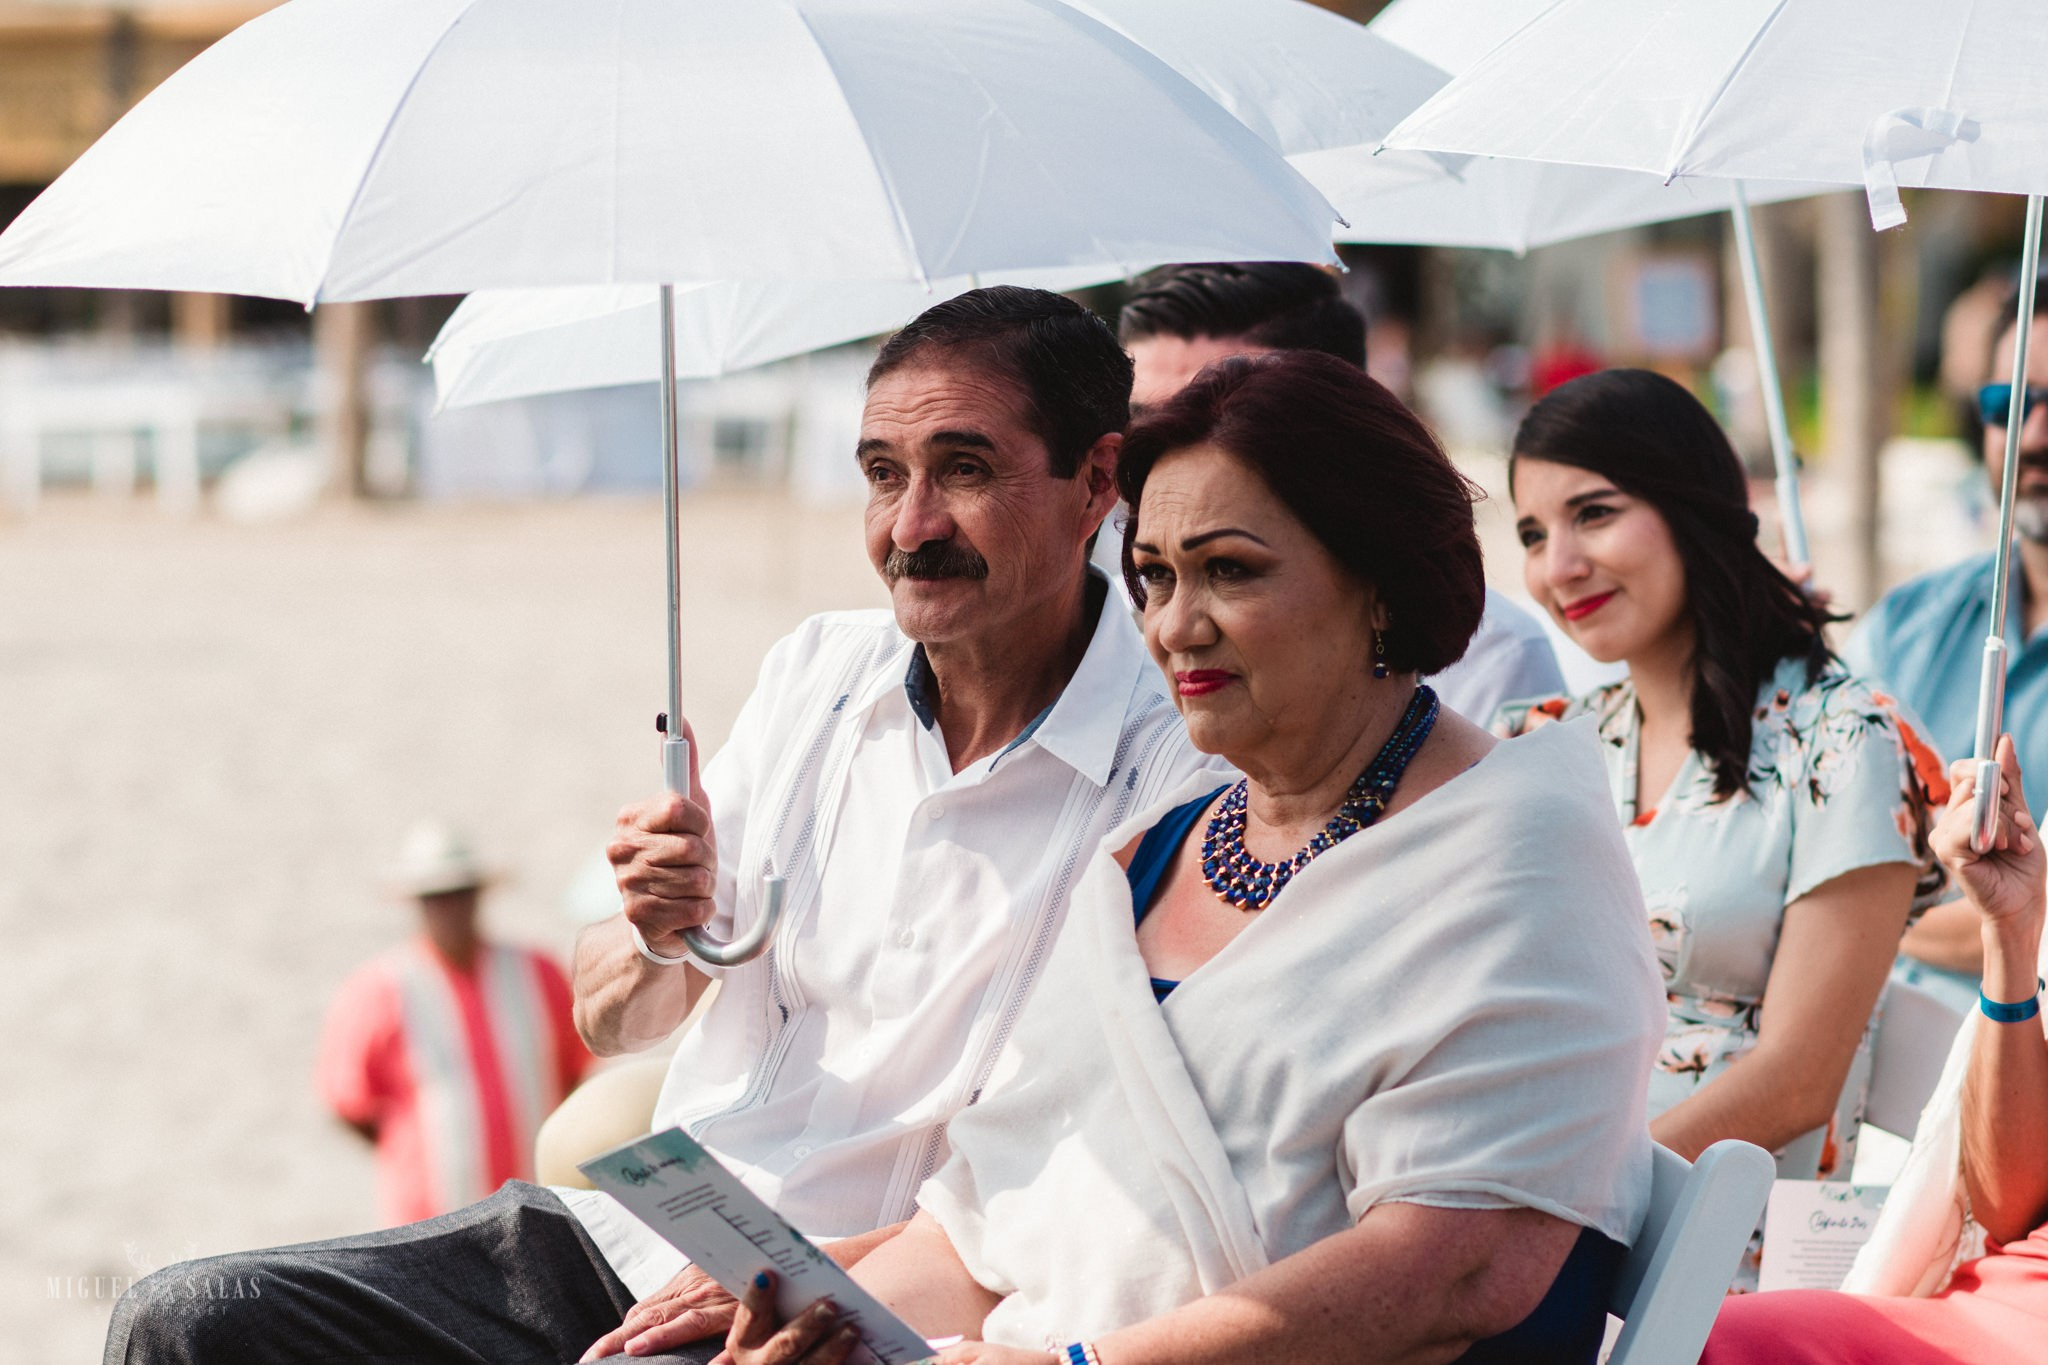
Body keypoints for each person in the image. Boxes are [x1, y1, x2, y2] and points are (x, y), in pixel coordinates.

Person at [106, 288, 1222, 1365]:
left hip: (864, 1297)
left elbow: (1089, 1164)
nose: (910, 526)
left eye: (963, 470)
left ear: (1097, 480)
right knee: (190, 1318)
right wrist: (656, 930)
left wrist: (830, 1274)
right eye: (883, 476)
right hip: (647, 1234)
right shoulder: (821, 674)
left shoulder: (1174, 761)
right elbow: (611, 1016)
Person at [724, 351, 1665, 1365]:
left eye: (1230, 570)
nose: (1174, 625)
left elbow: (1455, 1266)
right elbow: (985, 1229)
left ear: (1380, 585)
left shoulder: (1519, 848)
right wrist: (826, 1322)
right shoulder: (1151, 850)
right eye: (1154, 576)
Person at [1502, 370, 1945, 1209]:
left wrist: (1559, 1204)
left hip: (1711, 1255)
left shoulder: (1843, 740)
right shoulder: (1543, 741)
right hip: (1529, 1208)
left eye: (1594, 513)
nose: (1557, 565)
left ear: (1688, 509)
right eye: (1531, 533)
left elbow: (1798, 1081)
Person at [1699, 736, 2048, 1363]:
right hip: (2011, 1287)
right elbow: (2009, 1208)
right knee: (1713, 1341)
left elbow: (1796, 1079)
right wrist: (2011, 935)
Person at [1116, 261, 1567, 723]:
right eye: (1146, 422)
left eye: (1231, 412)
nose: (1182, 449)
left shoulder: (1492, 661)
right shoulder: (1097, 640)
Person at [1847, 270, 2048, 1007]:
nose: (2034, 436)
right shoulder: (1909, 621)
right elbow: (1813, 825)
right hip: (1874, 1062)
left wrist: (1860, 912)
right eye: (2010, 404)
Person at [315, 819, 592, 1225]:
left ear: (478, 895)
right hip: (430, 1216)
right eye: (436, 897)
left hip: (536, 1204)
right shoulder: (378, 990)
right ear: (417, 903)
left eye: (458, 894)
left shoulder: (538, 973)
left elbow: (573, 1069)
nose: (449, 908)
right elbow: (348, 1103)